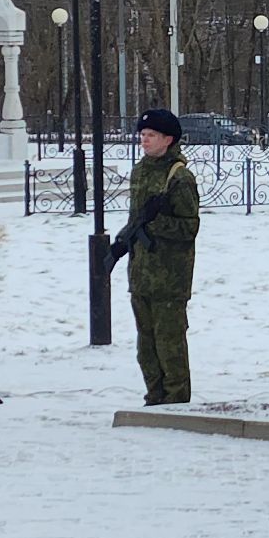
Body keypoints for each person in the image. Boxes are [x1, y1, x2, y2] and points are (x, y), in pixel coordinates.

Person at [110, 109, 201, 406]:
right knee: (145, 345)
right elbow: (136, 218)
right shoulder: (141, 171)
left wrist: (156, 221)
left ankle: (176, 399)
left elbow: (189, 228)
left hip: (170, 276)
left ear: (168, 139)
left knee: (169, 343)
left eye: (151, 136)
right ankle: (154, 395)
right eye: (142, 135)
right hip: (141, 273)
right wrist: (122, 243)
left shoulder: (180, 177)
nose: (144, 141)